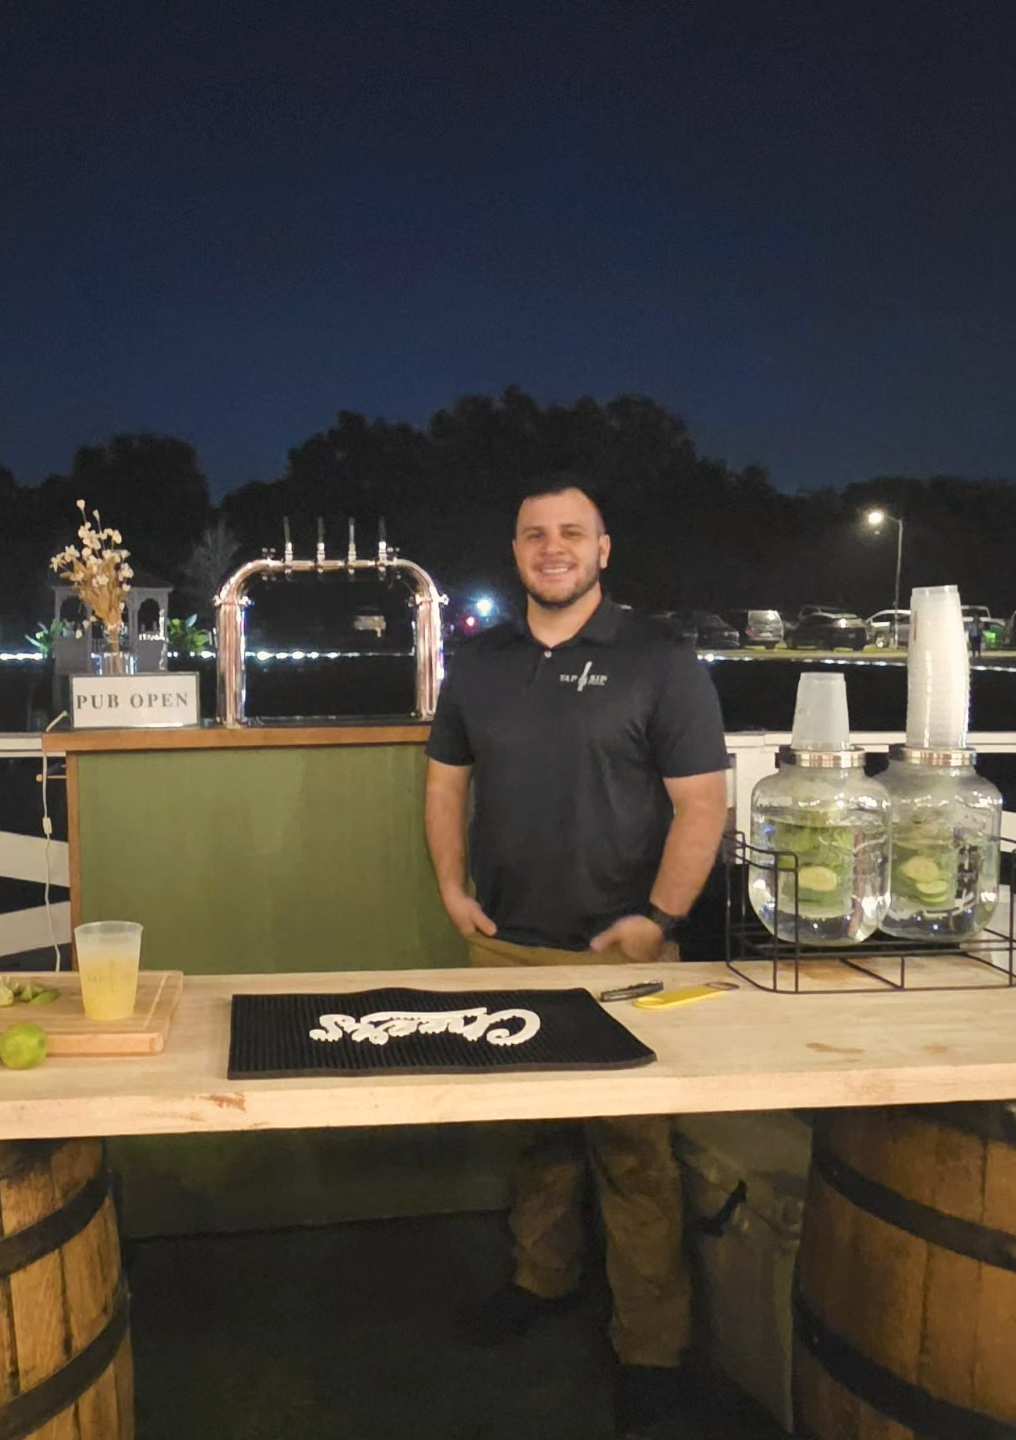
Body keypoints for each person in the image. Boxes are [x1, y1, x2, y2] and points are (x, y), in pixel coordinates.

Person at [423, 479, 728, 1436]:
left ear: (604, 549)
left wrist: (658, 916)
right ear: (515, 552)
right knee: (534, 1136)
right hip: (506, 946)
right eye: (532, 535)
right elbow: (443, 786)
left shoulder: (660, 660)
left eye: (571, 534)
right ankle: (542, 1281)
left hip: (625, 952)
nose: (551, 548)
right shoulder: (477, 665)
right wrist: (451, 890)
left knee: (635, 1155)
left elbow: (703, 804)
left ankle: (652, 1348)